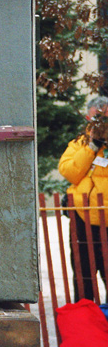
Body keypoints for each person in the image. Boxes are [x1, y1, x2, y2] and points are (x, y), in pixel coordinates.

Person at [59, 95, 108, 302]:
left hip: (106, 216)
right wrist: (92, 147)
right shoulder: (80, 143)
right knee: (83, 275)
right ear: (88, 118)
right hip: (82, 216)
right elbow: (69, 171)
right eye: (97, 118)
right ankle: (86, 322)